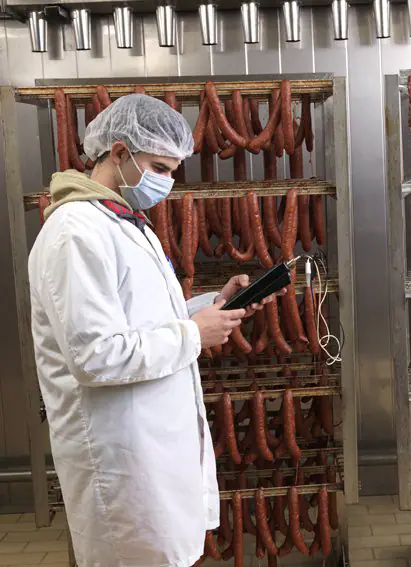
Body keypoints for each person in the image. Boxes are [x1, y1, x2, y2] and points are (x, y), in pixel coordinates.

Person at [28, 94, 272, 567]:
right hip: (119, 458)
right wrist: (193, 335)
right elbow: (95, 356)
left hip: (151, 446)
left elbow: (143, 317)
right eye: (159, 167)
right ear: (119, 152)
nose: (167, 182)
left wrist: (212, 307)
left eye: (172, 170)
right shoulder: (75, 232)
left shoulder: (123, 221)